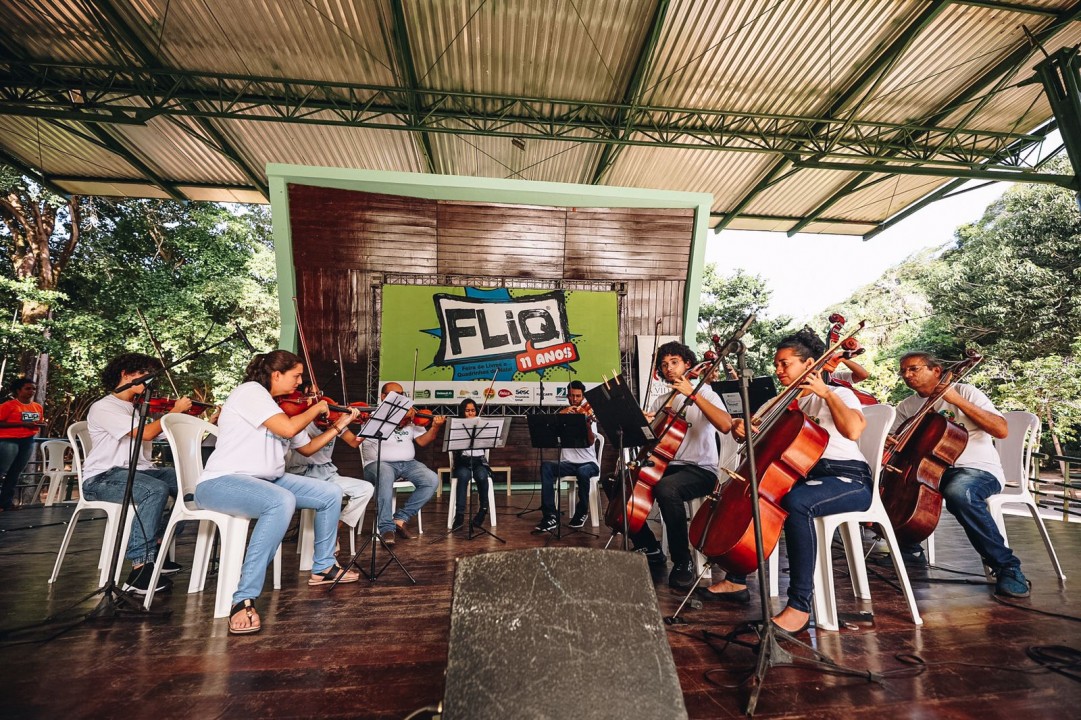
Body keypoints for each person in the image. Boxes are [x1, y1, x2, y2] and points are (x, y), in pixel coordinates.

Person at [700, 329, 871, 635]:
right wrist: (743, 429)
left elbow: (855, 431)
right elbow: (757, 441)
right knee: (758, 495)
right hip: (803, 477)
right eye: (776, 364)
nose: (778, 371)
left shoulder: (839, 393)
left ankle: (800, 607)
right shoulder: (780, 403)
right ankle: (736, 577)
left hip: (847, 477)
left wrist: (826, 393)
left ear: (808, 366)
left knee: (796, 503)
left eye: (784, 364)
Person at [197, 350, 362, 635]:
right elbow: (286, 430)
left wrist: (339, 425)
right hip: (222, 482)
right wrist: (316, 407)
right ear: (276, 375)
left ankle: (322, 567)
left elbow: (308, 448)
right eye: (296, 376)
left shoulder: (279, 407)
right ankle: (243, 598)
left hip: (268, 480)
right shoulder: (250, 392)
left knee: (329, 493)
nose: (300, 382)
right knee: (281, 501)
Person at [892, 351, 1029, 598]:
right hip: (931, 471)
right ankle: (909, 545)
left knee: (959, 492)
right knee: (890, 488)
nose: (907, 375)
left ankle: (1007, 566)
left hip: (977, 470)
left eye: (913, 369)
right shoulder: (907, 406)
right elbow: (895, 443)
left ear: (936, 370)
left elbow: (1001, 430)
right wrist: (891, 439)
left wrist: (955, 399)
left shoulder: (966, 392)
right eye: (903, 371)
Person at [627, 342, 734, 589]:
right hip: (665, 466)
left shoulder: (705, 393)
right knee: (619, 483)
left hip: (700, 470)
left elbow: (726, 425)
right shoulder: (662, 400)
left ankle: (682, 560)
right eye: (664, 365)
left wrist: (693, 394)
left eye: (674, 362)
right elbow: (651, 441)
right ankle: (652, 548)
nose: (669, 368)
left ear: (688, 364)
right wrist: (645, 424)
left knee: (666, 489)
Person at [80, 353, 190, 594]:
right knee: (155, 490)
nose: (147, 380)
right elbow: (146, 434)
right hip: (103, 477)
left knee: (190, 483)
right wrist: (174, 413)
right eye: (143, 374)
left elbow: (158, 432)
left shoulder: (135, 408)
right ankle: (140, 568)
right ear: (124, 374)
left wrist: (188, 418)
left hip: (140, 471)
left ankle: (158, 542)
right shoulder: (104, 407)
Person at [361, 382, 444, 546]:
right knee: (384, 474)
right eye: (395, 394)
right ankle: (386, 528)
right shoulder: (372, 415)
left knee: (432, 479)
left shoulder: (410, 418)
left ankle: (400, 518)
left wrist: (435, 427)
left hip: (408, 463)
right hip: (377, 464)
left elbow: (422, 441)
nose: (400, 397)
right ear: (383, 397)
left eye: (402, 394)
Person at [286, 396, 375, 540]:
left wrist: (368, 427)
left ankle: (334, 529)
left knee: (366, 488)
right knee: (329, 497)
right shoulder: (305, 424)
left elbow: (353, 442)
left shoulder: (335, 422)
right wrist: (336, 426)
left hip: (327, 472)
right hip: (303, 473)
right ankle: (326, 536)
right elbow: (310, 448)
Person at [533, 380, 599, 534]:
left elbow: (590, 442)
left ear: (582, 397)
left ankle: (582, 511)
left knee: (583, 472)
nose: (575, 399)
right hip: (567, 463)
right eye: (572, 396)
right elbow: (550, 434)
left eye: (578, 396)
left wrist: (587, 423)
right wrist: (559, 417)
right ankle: (550, 515)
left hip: (588, 463)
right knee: (546, 467)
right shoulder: (563, 414)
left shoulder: (588, 415)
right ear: (567, 397)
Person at [0, 378, 45, 510]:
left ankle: (6, 502)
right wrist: (21, 423)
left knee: (15, 472)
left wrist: (41, 425)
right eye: (28, 388)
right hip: (9, 440)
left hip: (28, 440)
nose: (31, 391)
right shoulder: (8, 406)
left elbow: (37, 421)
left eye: (33, 389)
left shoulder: (37, 407)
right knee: (2, 471)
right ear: (18, 390)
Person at [450, 398, 491, 529]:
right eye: (467, 411)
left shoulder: (482, 425)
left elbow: (490, 442)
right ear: (463, 412)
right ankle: (460, 514)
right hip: (463, 462)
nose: (471, 414)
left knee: (482, 476)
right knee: (462, 476)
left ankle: (483, 510)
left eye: (473, 411)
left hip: (479, 462)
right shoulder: (457, 426)